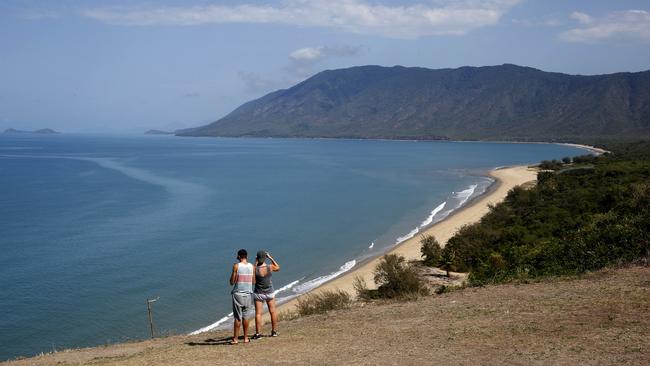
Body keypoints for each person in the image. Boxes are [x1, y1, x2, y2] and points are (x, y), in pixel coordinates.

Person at [252, 250, 280, 339]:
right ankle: (274, 332)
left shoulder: (254, 269)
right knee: (272, 311)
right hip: (270, 292)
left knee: (258, 314)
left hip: (259, 293)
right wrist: (270, 257)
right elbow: (278, 267)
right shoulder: (270, 267)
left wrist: (255, 262)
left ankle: (258, 334)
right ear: (265, 258)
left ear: (257, 258)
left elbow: (253, 281)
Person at [229, 249, 255, 344]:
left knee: (237, 317)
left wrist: (235, 274)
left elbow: (231, 282)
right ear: (247, 256)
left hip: (238, 294)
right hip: (248, 294)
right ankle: (245, 338)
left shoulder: (236, 266)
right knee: (246, 317)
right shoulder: (252, 266)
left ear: (239, 256)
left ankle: (235, 339)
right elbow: (253, 282)